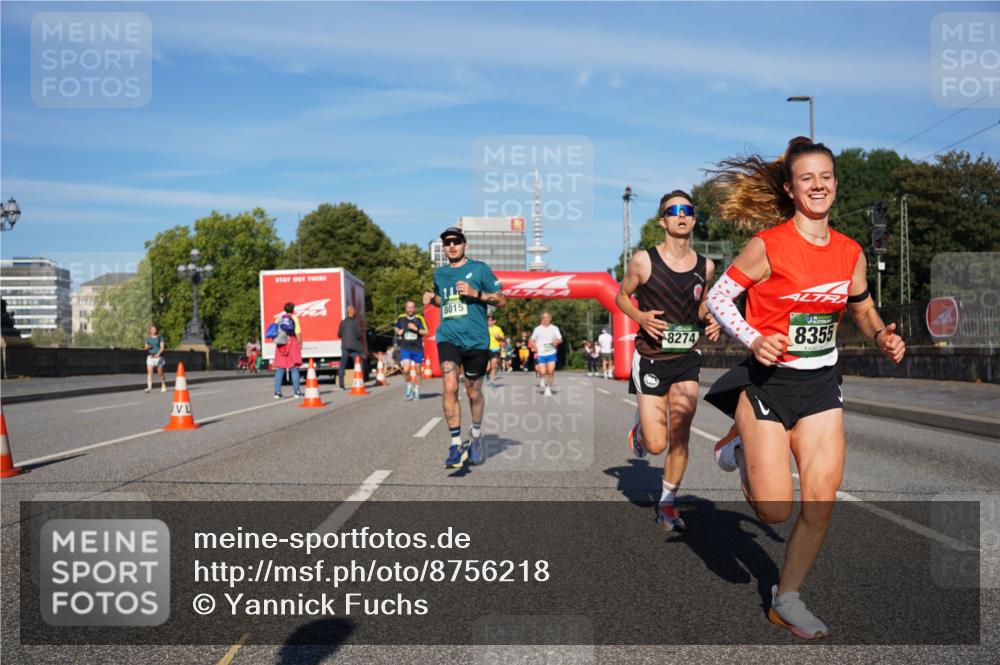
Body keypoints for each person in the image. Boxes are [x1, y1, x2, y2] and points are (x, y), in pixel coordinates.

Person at [703, 137, 906, 639]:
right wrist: (753, 338)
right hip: (769, 386)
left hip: (820, 386)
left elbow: (859, 307)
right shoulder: (768, 245)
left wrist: (881, 334)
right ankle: (739, 440)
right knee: (774, 509)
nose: (818, 185)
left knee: (820, 500)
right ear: (792, 189)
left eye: (825, 177)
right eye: (807, 178)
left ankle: (786, 598)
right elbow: (720, 297)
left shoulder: (850, 251)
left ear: (835, 184)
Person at [615, 190, 722, 531]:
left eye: (687, 210)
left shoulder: (706, 266)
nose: (681, 215)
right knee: (657, 444)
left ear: (693, 218)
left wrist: (713, 317)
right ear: (663, 220)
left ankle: (667, 504)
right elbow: (621, 295)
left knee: (680, 435)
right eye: (673, 211)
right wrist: (641, 317)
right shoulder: (643, 261)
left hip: (687, 358)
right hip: (650, 360)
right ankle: (642, 429)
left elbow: (702, 304)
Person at [423, 227, 505, 468]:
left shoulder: (479, 269)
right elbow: (444, 300)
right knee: (449, 387)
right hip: (448, 337)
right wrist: (432, 299)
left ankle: (476, 435)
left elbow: (501, 300)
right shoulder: (440, 274)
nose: (451, 246)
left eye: (456, 241)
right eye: (447, 242)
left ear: (465, 245)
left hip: (477, 341)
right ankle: (456, 443)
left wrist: (476, 293)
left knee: (473, 392)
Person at [394, 300, 428, 400]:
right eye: (408, 307)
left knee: (418, 370)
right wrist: (398, 331)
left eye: (412, 307)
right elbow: (396, 327)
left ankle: (416, 389)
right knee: (406, 369)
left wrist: (416, 329)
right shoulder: (401, 318)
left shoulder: (419, 319)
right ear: (406, 308)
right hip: (405, 348)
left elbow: (427, 332)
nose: (410, 309)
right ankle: (409, 385)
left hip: (417, 348)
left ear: (415, 308)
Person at [271, 303, 304, 399]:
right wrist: (300, 343)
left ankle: (277, 392)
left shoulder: (279, 319)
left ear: (284, 309)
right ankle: (297, 392)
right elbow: (297, 333)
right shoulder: (294, 318)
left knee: (280, 369)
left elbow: (275, 332)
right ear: (293, 309)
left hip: (281, 344)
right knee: (294, 368)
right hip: (292, 343)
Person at [529, 311, 562, 397]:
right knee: (542, 371)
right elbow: (532, 339)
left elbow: (560, 339)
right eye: (544, 317)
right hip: (541, 354)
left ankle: (548, 389)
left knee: (550, 372)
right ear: (541, 319)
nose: (546, 319)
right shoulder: (537, 329)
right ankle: (543, 378)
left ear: (550, 318)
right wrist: (534, 347)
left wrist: (557, 341)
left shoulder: (555, 328)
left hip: (551, 353)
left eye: (547, 317)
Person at [337, 305, 364, 391]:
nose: (355, 311)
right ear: (352, 311)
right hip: (354, 346)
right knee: (357, 364)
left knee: (342, 365)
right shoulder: (356, 322)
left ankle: (341, 384)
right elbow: (359, 334)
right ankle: (358, 382)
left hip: (345, 346)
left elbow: (339, 334)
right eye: (354, 310)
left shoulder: (342, 322)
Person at [144, 325, 166, 393]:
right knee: (149, 372)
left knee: (160, 372)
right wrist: (148, 347)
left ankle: (163, 383)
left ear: (157, 330)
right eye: (152, 329)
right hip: (150, 357)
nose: (153, 330)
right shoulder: (148, 338)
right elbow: (145, 347)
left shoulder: (160, 338)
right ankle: (149, 387)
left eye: (154, 329)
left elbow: (162, 348)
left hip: (159, 357)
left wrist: (158, 354)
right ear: (150, 330)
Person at [487, 315, 505, 386]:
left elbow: (503, 338)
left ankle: (492, 382)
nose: (489, 321)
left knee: (493, 366)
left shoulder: (498, 329)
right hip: (486, 349)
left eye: (491, 320)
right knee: (487, 368)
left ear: (494, 321)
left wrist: (499, 337)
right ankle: (487, 375)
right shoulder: (484, 328)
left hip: (495, 349)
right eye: (488, 320)